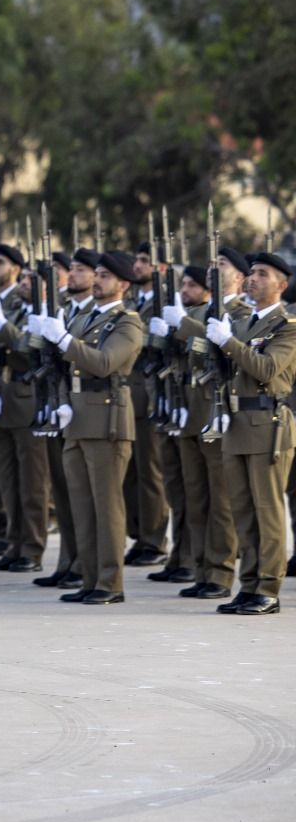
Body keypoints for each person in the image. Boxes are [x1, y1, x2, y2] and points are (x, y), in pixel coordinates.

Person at [39, 251, 145, 605]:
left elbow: (103, 363)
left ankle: (110, 583)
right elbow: (66, 367)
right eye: (95, 273)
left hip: (107, 420)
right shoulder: (84, 317)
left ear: (123, 284)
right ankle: (88, 577)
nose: (96, 279)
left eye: (104, 275)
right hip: (78, 418)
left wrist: (65, 340)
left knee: (107, 504)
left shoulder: (128, 323)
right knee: (81, 505)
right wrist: (63, 399)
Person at [202, 251, 296, 615]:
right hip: (237, 424)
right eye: (252, 273)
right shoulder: (241, 324)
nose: (252, 279)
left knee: (267, 510)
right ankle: (250, 583)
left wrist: (227, 342)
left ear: (281, 285)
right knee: (242, 510)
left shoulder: (287, 326)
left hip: (267, 425)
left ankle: (269, 589)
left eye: (262, 274)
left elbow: (267, 368)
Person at [163, 263, 242, 599]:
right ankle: (201, 569)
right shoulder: (198, 310)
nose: (214, 269)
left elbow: (227, 345)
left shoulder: (242, 312)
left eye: (222, 265)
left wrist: (183, 325)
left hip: (219, 416)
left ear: (239, 275)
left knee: (221, 503)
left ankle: (221, 575)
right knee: (196, 500)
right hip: (192, 415)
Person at [0, 246, 49, 572]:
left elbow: (26, 349)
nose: (23, 283)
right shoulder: (15, 309)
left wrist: (2, 327)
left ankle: (32, 548)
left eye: (29, 280)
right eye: (22, 279)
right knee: (8, 480)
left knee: (32, 483)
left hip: (28, 399)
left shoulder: (40, 314)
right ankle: (14, 542)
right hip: (4, 398)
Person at [124, 242, 172, 568]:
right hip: (129, 393)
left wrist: (160, 336)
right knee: (132, 473)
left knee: (151, 472)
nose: (138, 266)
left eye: (145, 261)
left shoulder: (169, 303)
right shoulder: (129, 302)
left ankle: (155, 540)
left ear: (162, 268)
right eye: (137, 260)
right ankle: (139, 534)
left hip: (152, 393)